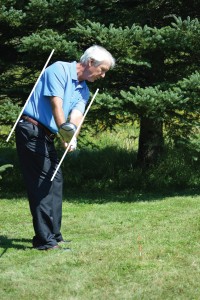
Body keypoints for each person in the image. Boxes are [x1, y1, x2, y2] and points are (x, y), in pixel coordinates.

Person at [15, 45, 115, 251]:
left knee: (55, 180)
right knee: (42, 184)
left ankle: (55, 235)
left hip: (47, 135)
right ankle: (45, 241)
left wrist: (71, 138)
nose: (103, 75)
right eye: (102, 70)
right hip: (31, 130)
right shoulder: (59, 69)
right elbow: (56, 105)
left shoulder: (84, 90)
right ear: (90, 63)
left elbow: (76, 116)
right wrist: (64, 133)